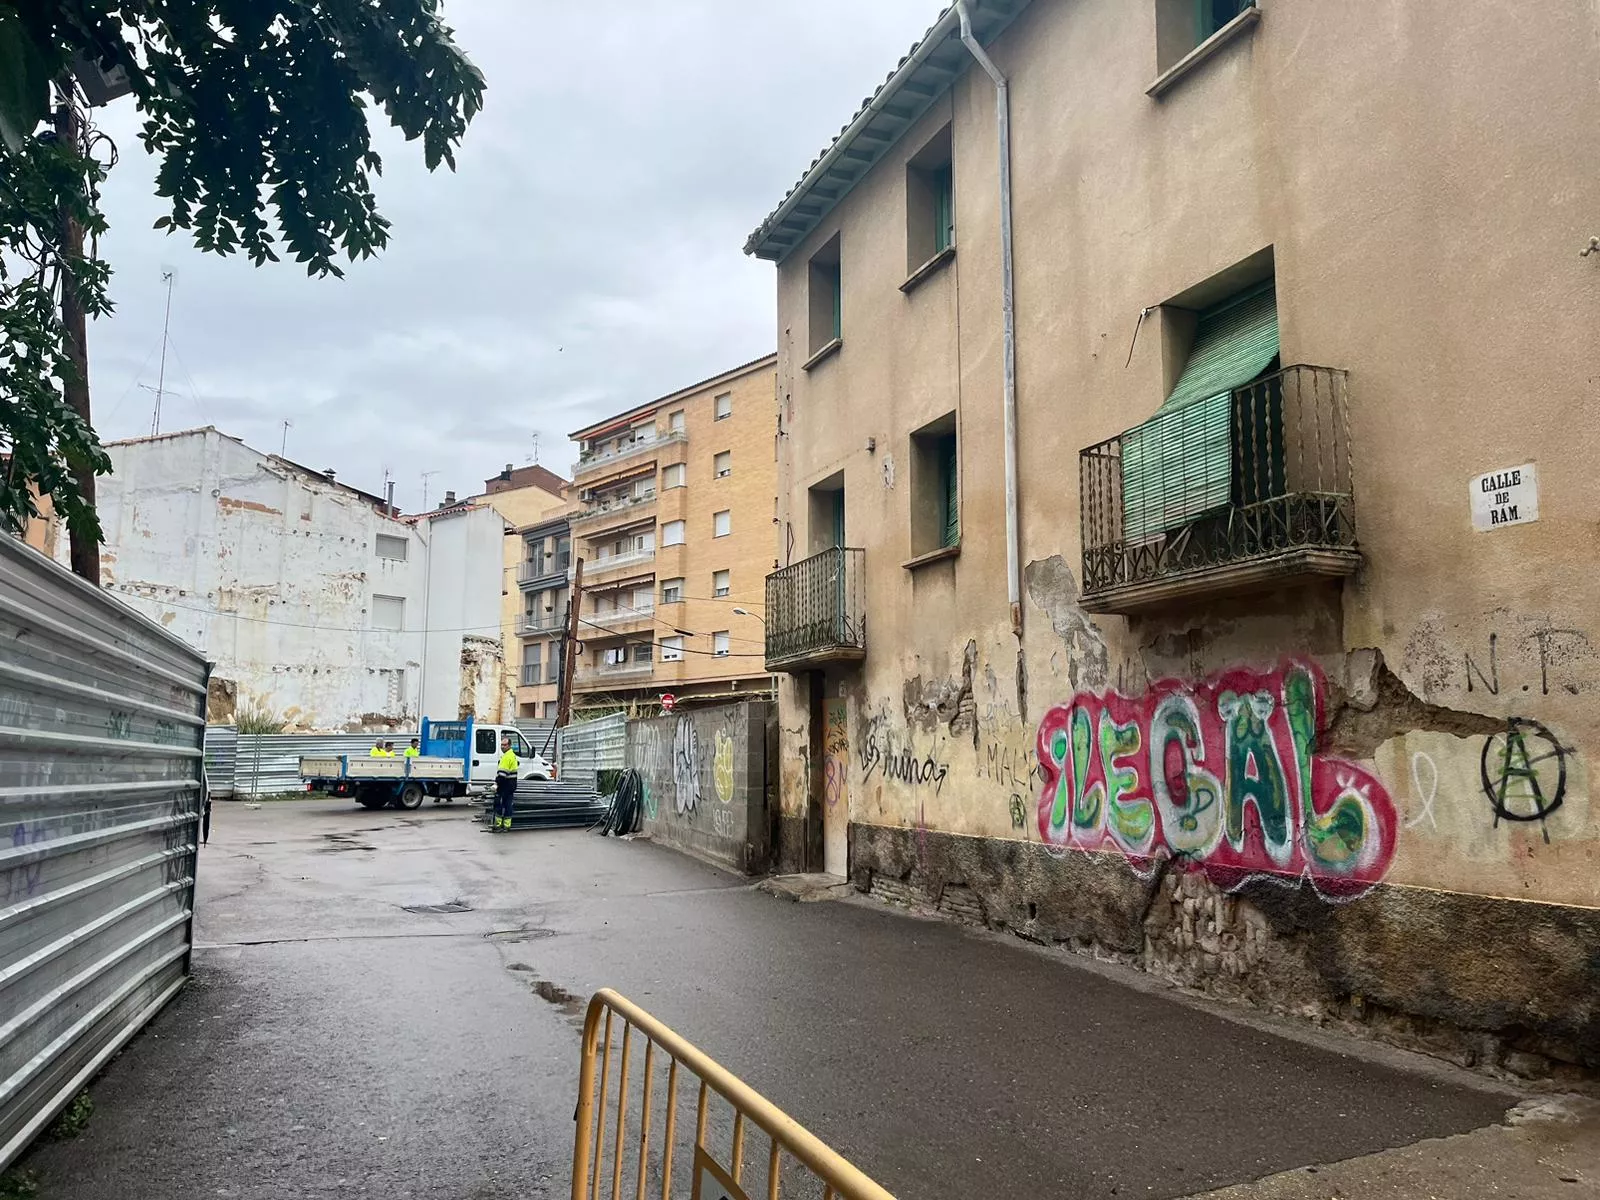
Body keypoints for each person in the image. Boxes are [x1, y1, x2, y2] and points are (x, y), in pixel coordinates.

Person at [493, 733, 519, 832]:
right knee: (508, 806)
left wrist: (496, 784)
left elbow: (502, 774)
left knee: (499, 804)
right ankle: (507, 826)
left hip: (505, 785)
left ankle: (498, 825)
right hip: (511, 785)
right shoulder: (512, 755)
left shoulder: (507, 757)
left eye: (504, 745)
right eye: (501, 745)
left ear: (509, 746)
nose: (502, 747)